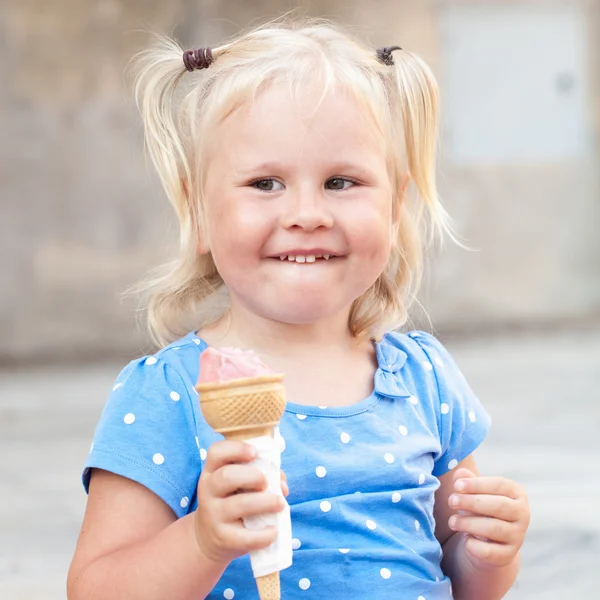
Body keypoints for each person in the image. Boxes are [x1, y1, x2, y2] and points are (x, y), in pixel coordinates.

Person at [67, 17, 530, 600]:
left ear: (394, 210)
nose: (306, 213)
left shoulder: (425, 379)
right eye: (265, 183)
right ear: (200, 214)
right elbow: (95, 588)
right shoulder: (168, 394)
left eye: (341, 181)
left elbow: (463, 582)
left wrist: (489, 554)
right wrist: (202, 542)